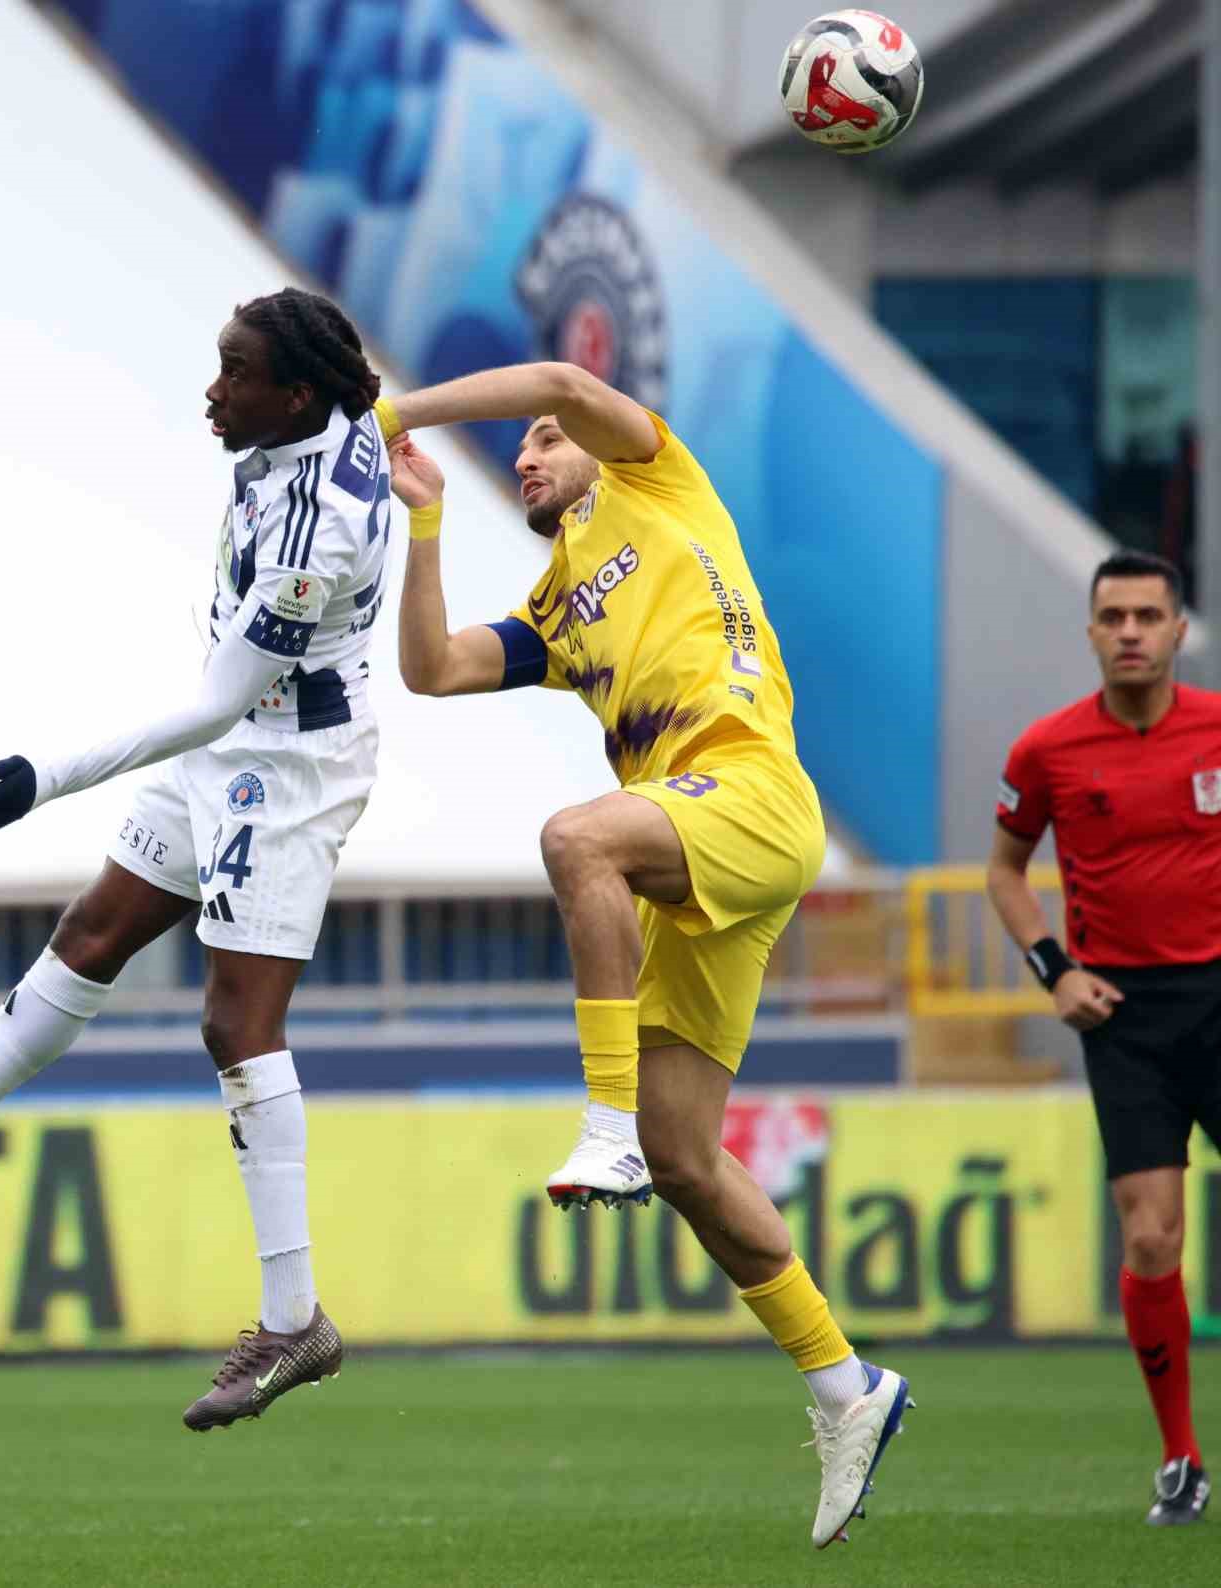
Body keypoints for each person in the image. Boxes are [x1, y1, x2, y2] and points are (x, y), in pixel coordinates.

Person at [0, 287, 391, 1431]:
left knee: (235, 1025)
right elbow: (387, 418)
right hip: (239, 744)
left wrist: (43, 780)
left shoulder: (322, 534)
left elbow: (210, 708)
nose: (213, 390)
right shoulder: (322, 419)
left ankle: (296, 1317)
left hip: (288, 769)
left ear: (294, 394)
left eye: (236, 373)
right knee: (88, 936)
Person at [372, 365, 909, 1549]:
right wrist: (423, 521)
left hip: (754, 796)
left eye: (546, 440)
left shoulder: (655, 481)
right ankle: (842, 1384)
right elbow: (429, 669)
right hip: (698, 841)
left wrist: (396, 408)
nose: (529, 450)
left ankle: (601, 1121)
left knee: (575, 837)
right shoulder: (559, 610)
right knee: (686, 1159)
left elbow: (563, 376)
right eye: (518, 447)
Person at [988, 549, 1215, 1527]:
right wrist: (1053, 969)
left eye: (1146, 615)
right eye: (1112, 616)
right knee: (1152, 1234)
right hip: (1122, 1013)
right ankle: (1179, 1458)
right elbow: (1004, 869)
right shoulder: (1046, 750)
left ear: (1176, 630)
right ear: (1089, 631)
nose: (1129, 631)